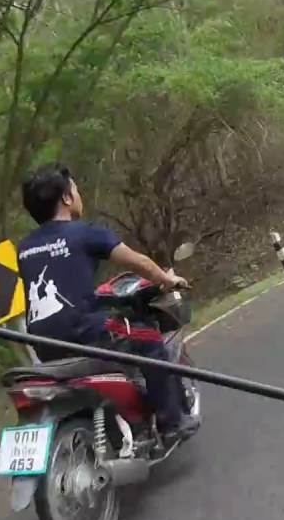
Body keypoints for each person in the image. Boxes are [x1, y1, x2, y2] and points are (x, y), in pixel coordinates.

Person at [18, 163, 200, 441]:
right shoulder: (85, 232)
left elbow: (61, 278)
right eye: (75, 189)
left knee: (116, 335)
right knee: (149, 339)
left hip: (44, 346)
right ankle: (171, 423)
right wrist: (166, 279)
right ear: (66, 197)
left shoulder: (24, 248)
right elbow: (138, 262)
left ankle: (129, 416)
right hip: (84, 334)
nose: (78, 194)